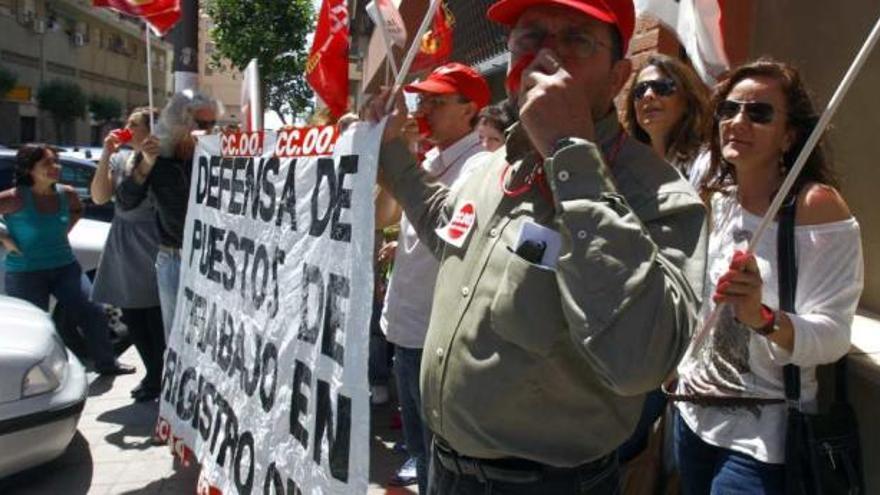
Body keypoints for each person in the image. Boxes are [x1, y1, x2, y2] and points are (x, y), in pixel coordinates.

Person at [366, 0, 707, 492]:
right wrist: (390, 151)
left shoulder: (657, 194)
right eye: (530, 37)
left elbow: (640, 361)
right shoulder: (495, 166)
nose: (546, 55)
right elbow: (449, 230)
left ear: (617, 78)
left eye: (576, 39)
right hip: (446, 471)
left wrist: (570, 153)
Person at [673, 59, 864, 495]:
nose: (738, 121)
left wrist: (761, 316)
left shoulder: (815, 206)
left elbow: (834, 336)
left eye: (759, 113)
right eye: (729, 110)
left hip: (761, 438)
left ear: (790, 135)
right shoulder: (717, 198)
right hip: (692, 415)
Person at [378, 62, 491, 492]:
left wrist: (401, 158)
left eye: (437, 102)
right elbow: (385, 216)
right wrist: (381, 152)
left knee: (439, 460)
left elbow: (450, 238)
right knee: (419, 450)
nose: (423, 109)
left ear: (470, 109)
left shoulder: (478, 168)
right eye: (422, 99)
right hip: (407, 329)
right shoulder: (427, 157)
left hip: (434, 338)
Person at [0, 144, 134, 375]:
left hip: (65, 267)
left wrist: (67, 228)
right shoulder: (14, 198)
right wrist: (6, 239)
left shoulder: (66, 193)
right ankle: (41, 377)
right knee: (36, 328)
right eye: (47, 163)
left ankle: (107, 363)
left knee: (93, 312)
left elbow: (77, 209)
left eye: (56, 161)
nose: (55, 167)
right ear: (29, 169)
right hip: (25, 272)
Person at [116, 90, 223, 336]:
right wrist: (146, 163)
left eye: (212, 124)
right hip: (174, 259)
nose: (208, 130)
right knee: (176, 336)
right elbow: (125, 201)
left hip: (211, 259)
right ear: (180, 122)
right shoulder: (156, 156)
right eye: (201, 123)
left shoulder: (214, 154)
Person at [91, 107, 166, 401]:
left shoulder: (163, 160)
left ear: (150, 130)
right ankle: (152, 373)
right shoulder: (121, 159)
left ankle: (160, 375)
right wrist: (106, 154)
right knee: (132, 315)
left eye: (134, 124)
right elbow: (99, 196)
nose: (126, 128)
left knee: (155, 315)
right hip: (123, 241)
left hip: (151, 241)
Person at [622, 53, 711, 188]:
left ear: (687, 102)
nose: (648, 95)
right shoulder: (627, 168)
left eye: (662, 87)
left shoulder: (706, 164)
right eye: (640, 90)